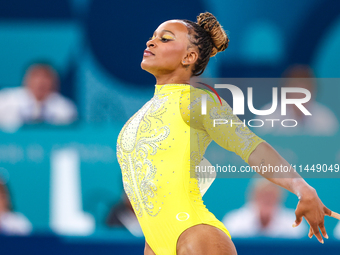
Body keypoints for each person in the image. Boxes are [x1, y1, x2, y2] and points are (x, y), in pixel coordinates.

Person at [116, 12, 335, 255]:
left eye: (165, 38)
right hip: (155, 244)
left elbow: (251, 145)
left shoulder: (196, 102)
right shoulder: (139, 115)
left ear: (189, 56)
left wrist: (301, 187)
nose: (151, 42)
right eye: (152, 37)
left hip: (196, 234)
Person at [257, 64, 339, 136]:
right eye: (295, 89)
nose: (300, 96)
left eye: (305, 91)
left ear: (314, 91)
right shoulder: (268, 115)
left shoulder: (326, 118)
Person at [0, 63, 78, 133]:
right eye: (36, 76)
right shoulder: (5, 99)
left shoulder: (65, 107)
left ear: (55, 83)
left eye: (46, 77)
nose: (41, 82)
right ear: (25, 79)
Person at [222, 178, 307, 238]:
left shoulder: (294, 223)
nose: (267, 199)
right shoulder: (233, 222)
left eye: (271, 196)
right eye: (263, 195)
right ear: (253, 196)